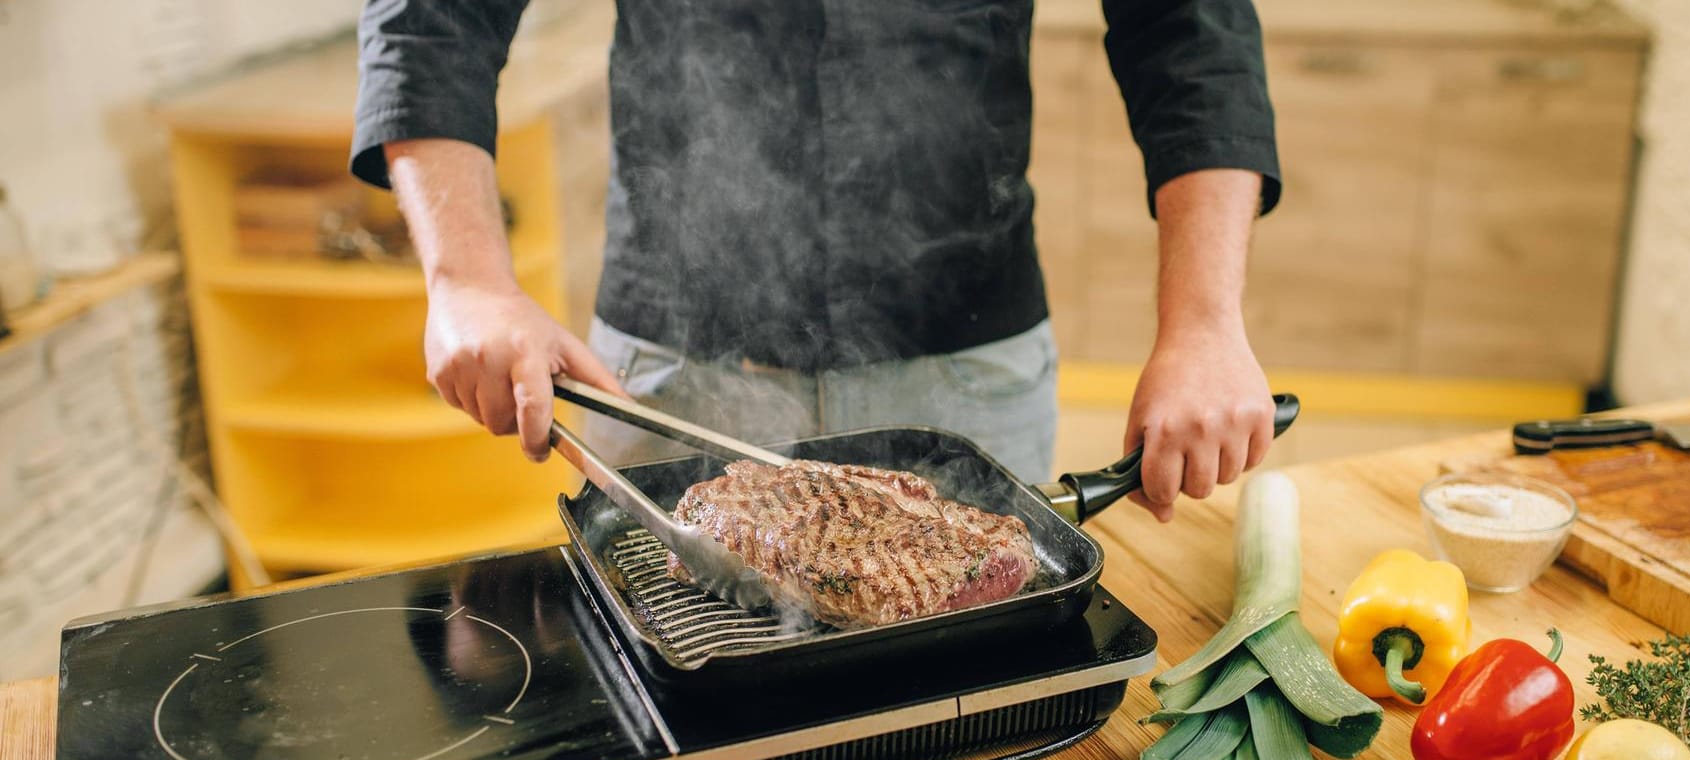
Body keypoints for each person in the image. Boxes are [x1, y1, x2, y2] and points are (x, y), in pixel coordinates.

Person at [352, 0, 1281, 521]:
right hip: (672, 370)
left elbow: (1189, 30)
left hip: (964, 364)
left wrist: (1204, 325)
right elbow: (434, 15)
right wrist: (467, 280)